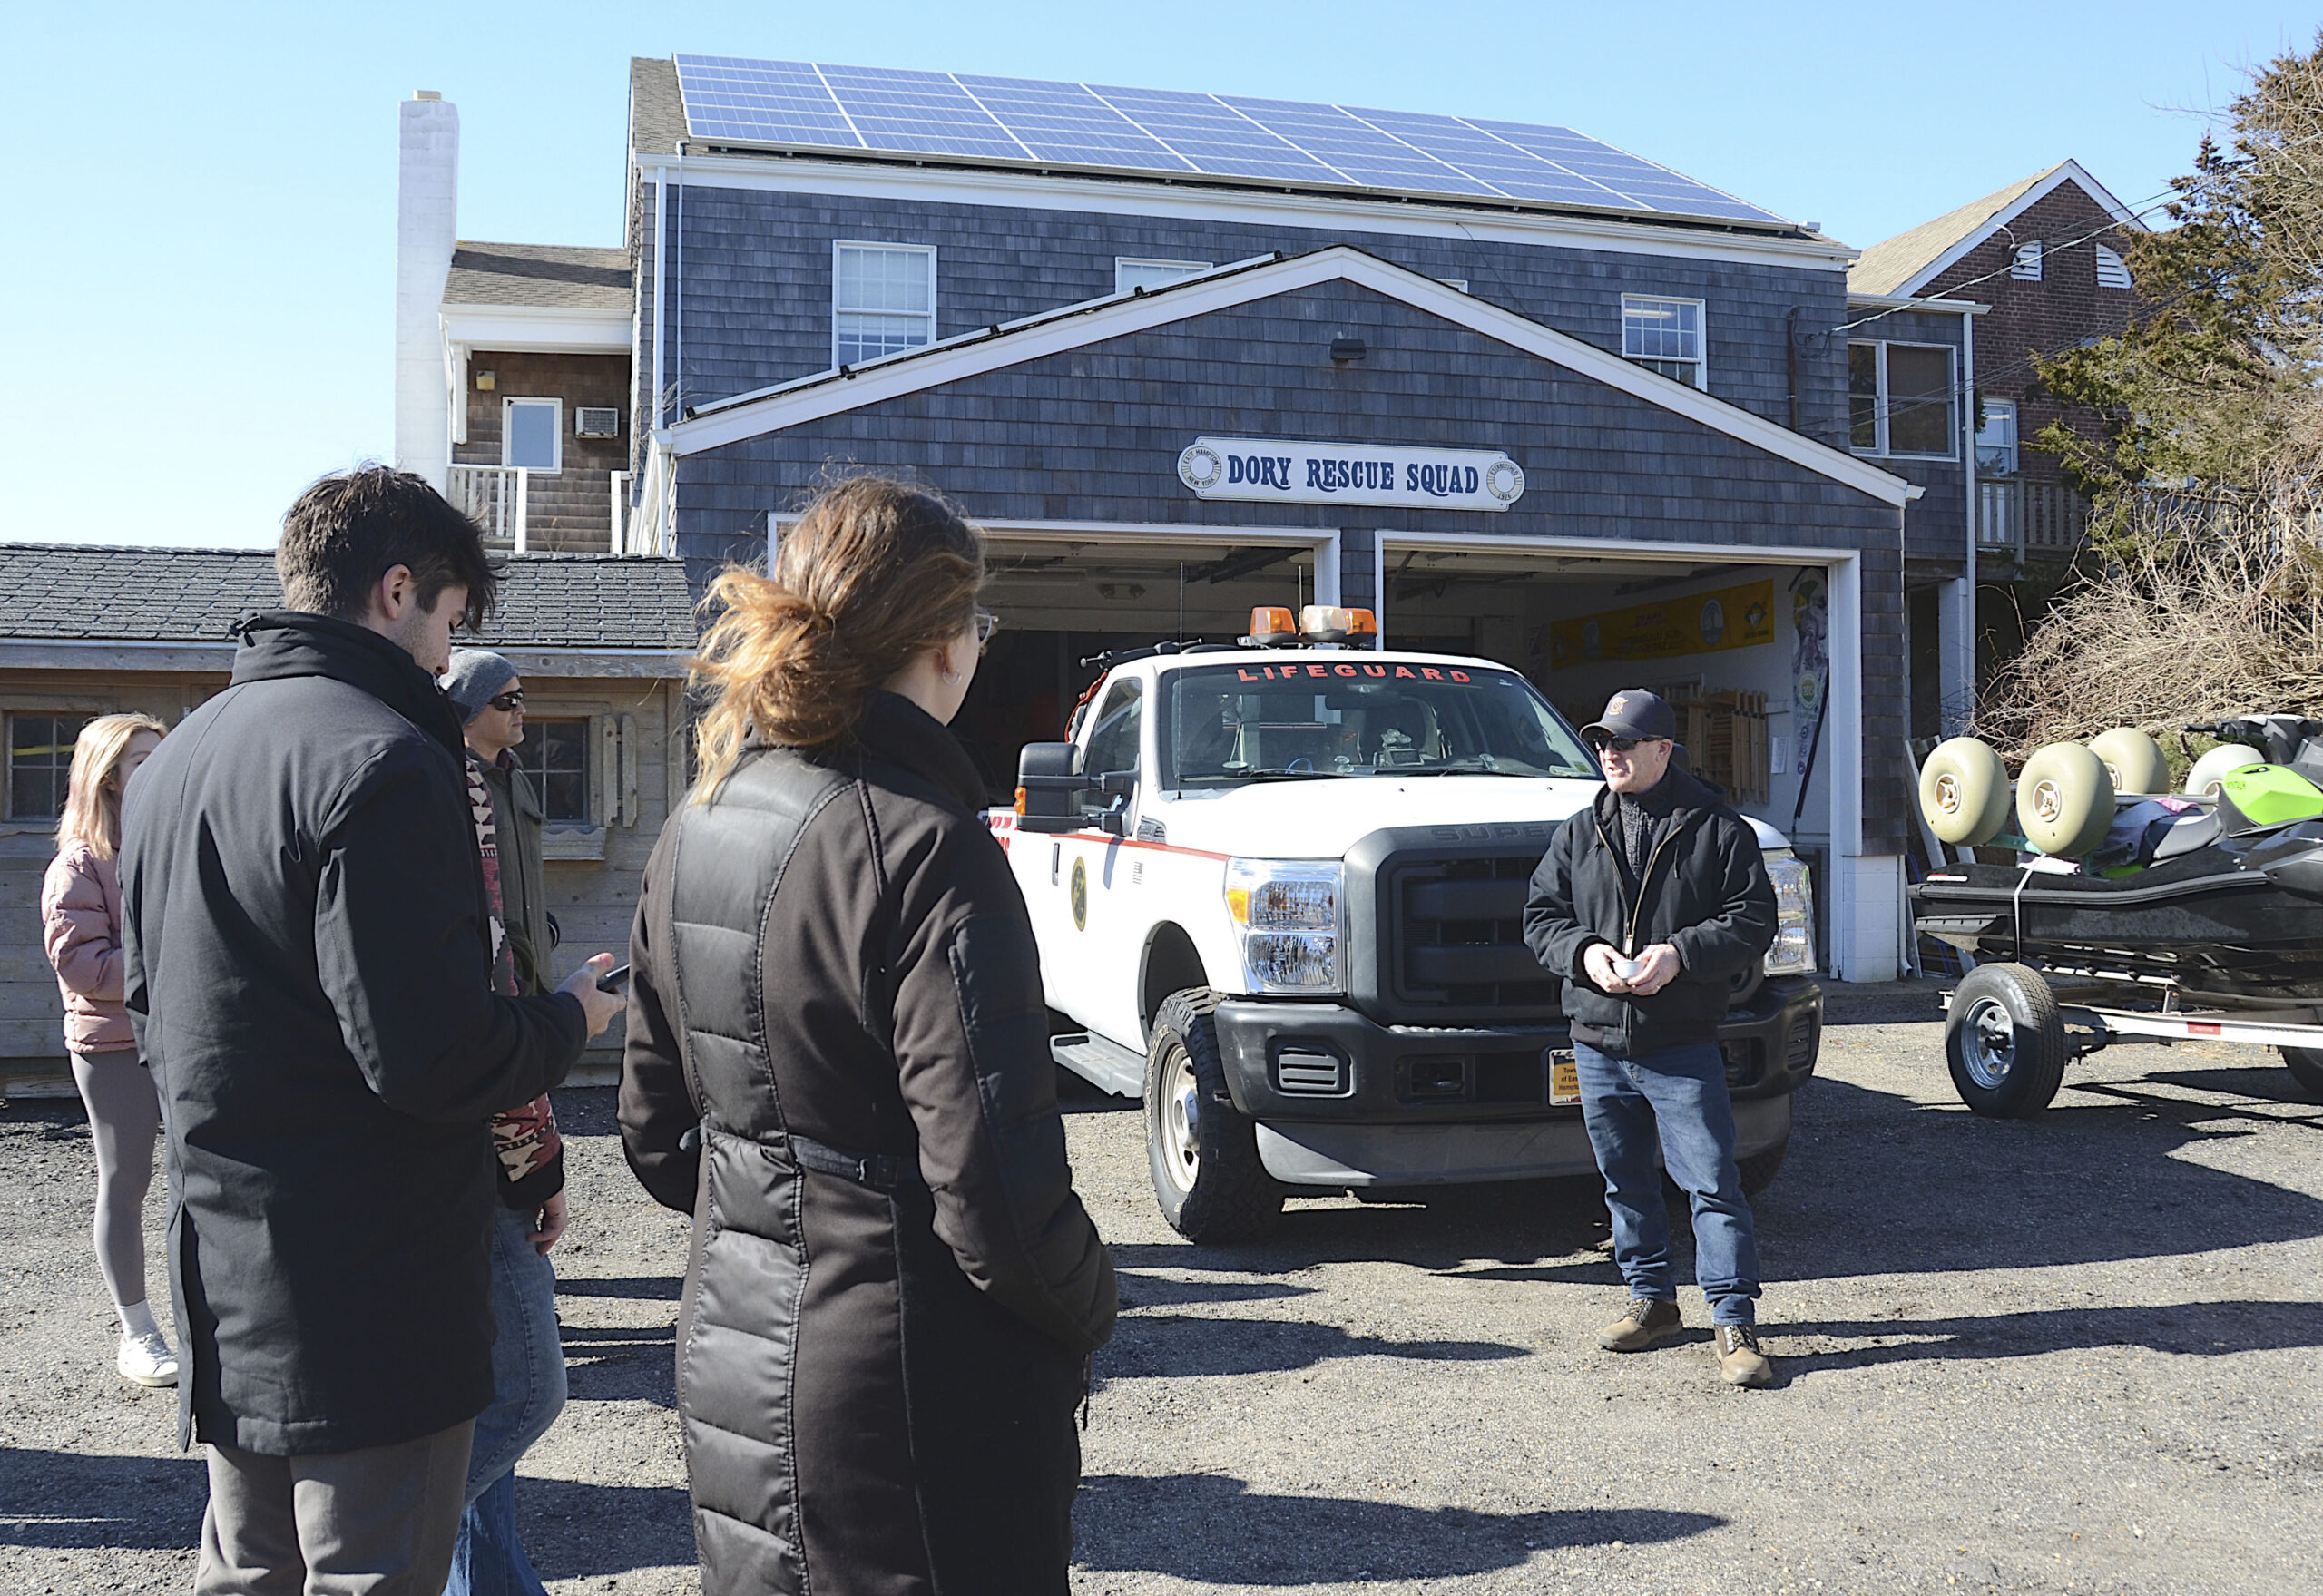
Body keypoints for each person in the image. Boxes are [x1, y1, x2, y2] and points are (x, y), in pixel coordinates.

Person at [118, 465, 627, 1596]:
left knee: (250, 1570)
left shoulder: (179, 760)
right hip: (371, 1285)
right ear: (398, 590)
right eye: (450, 621)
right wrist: (565, 1020)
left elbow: (152, 1012)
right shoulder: (392, 761)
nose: (449, 658)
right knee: (371, 1574)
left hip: (220, 1255)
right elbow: (430, 1057)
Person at [619, 476, 1116, 1596]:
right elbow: (994, 1196)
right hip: (911, 1397)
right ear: (945, 640)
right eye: (978, 626)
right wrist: (1092, 1297)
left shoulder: (699, 821)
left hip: (737, 1357)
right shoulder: (928, 846)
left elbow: (654, 1138)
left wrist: (775, 1213)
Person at [1522, 688, 1780, 1389]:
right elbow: (1540, 915)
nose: (1611, 752)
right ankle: (1653, 1302)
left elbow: (1754, 917)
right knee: (1626, 1180)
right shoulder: (1579, 830)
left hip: (1679, 1040)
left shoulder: (1717, 827)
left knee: (1711, 1182)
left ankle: (1733, 1319)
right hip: (1598, 1038)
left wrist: (1681, 955)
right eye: (1604, 741)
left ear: (1664, 749)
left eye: (1626, 742)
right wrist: (1584, 953)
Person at [438, 647, 568, 1596]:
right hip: (491, 1075)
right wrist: (538, 1158)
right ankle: (389, 1547)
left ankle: (490, 1581)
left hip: (522, 1022)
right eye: (508, 700)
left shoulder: (504, 782)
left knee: (487, 1383)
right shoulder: (442, 793)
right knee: (522, 1389)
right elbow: (479, 973)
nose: (523, 714)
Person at [41, 711, 175, 1390]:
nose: (156, 767)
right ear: (108, 777)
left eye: (161, 754)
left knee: (202, 1178)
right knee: (126, 1182)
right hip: (114, 1044)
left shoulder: (173, 841)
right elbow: (86, 968)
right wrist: (175, 960)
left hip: (180, 1035)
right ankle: (138, 1331)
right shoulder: (77, 866)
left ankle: (206, 1319)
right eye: (140, 759)